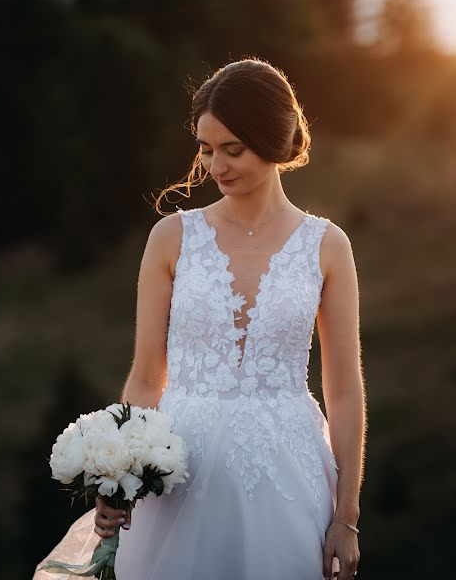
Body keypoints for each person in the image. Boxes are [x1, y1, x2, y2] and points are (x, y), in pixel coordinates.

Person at [34, 57, 365, 580]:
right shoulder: (171, 238)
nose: (217, 165)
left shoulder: (327, 247)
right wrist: (116, 478)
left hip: (288, 473)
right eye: (207, 149)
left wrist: (346, 518)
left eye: (233, 149)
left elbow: (344, 390)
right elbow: (146, 376)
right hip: (180, 475)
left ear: (275, 143)